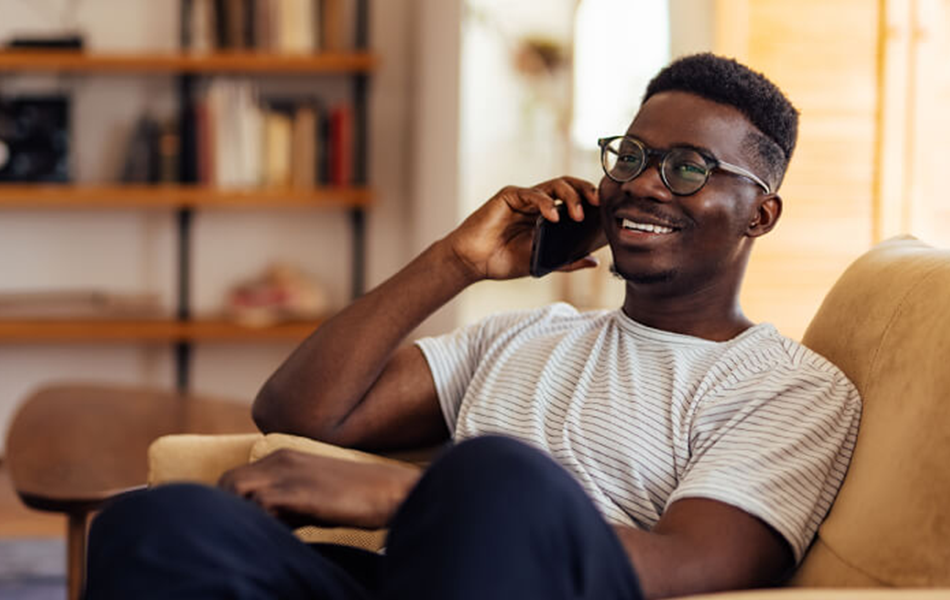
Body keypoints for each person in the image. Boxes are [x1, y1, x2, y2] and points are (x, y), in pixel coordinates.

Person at [85, 53, 861, 600]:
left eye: (689, 168)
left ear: (761, 213)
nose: (641, 185)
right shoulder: (527, 336)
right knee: (157, 525)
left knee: (499, 476)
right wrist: (455, 260)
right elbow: (295, 413)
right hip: (405, 580)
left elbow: (691, 567)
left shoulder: (789, 387)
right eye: (631, 156)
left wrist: (404, 496)